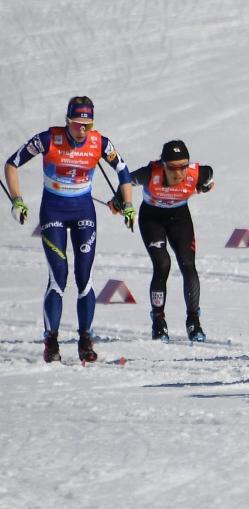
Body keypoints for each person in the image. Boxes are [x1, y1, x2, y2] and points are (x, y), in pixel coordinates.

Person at [4, 96, 135, 363]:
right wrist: (17, 199)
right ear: (67, 121)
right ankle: (51, 340)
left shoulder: (100, 142)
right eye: (77, 124)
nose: (82, 130)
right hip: (53, 212)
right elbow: (11, 163)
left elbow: (123, 170)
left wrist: (128, 204)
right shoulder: (48, 139)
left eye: (88, 124)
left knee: (84, 276)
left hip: (84, 212)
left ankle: (85, 340)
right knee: (59, 276)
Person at [130, 140, 214, 342]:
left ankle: (194, 322)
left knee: (188, 264)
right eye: (173, 168)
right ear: (163, 165)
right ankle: (158, 322)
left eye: (184, 166)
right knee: (162, 264)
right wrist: (120, 200)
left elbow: (209, 172)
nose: (179, 173)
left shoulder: (194, 174)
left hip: (179, 218)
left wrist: (203, 185)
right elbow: (126, 179)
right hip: (152, 219)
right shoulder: (150, 173)